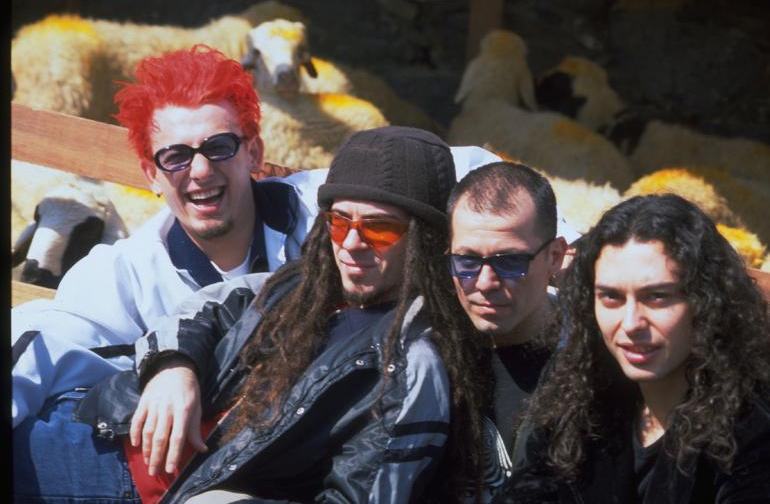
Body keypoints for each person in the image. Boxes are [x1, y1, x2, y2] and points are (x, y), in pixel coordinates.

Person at [10, 44, 501, 429]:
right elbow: (41, 341)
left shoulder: (325, 205)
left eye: (219, 146)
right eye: (175, 156)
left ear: (254, 153)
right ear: (151, 175)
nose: (200, 171)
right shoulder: (131, 272)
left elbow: (476, 170)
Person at [14, 126, 489, 504]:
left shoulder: (410, 361)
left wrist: (224, 501)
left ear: (427, 238)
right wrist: (174, 366)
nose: (350, 243)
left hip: (132, 480)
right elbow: (210, 308)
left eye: (380, 229)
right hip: (102, 415)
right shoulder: (306, 286)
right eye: (338, 221)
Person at [494, 194, 770, 503]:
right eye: (611, 297)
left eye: (657, 296)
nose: (631, 323)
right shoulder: (579, 393)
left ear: (705, 301)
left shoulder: (755, 427)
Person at [444, 162, 570, 499]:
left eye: (510, 262)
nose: (485, 282)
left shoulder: (599, 364)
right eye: (467, 261)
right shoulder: (425, 352)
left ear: (555, 257)